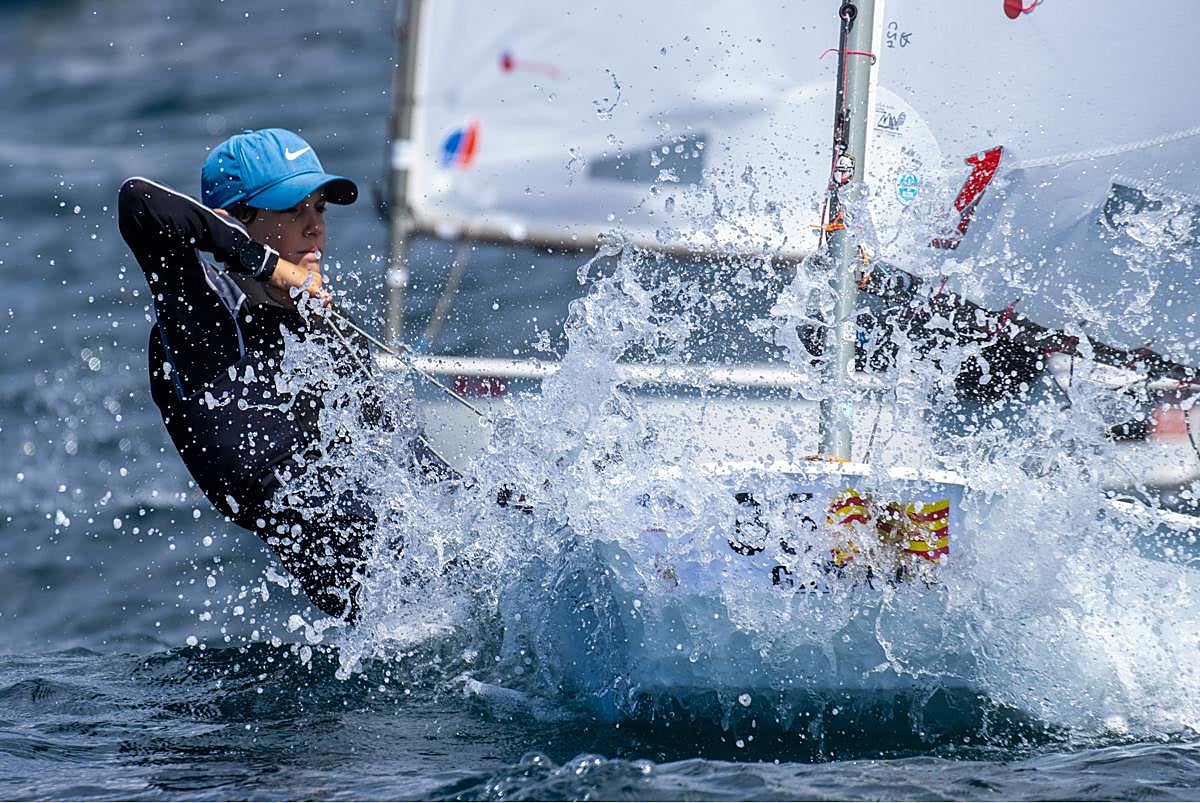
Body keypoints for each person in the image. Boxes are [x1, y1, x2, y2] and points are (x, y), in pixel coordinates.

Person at [118, 128, 450, 622]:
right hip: (369, 577)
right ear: (232, 221)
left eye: (320, 209)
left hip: (412, 544)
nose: (315, 227)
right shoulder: (201, 313)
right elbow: (140, 202)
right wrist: (264, 263)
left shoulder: (323, 323)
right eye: (293, 211)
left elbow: (406, 452)